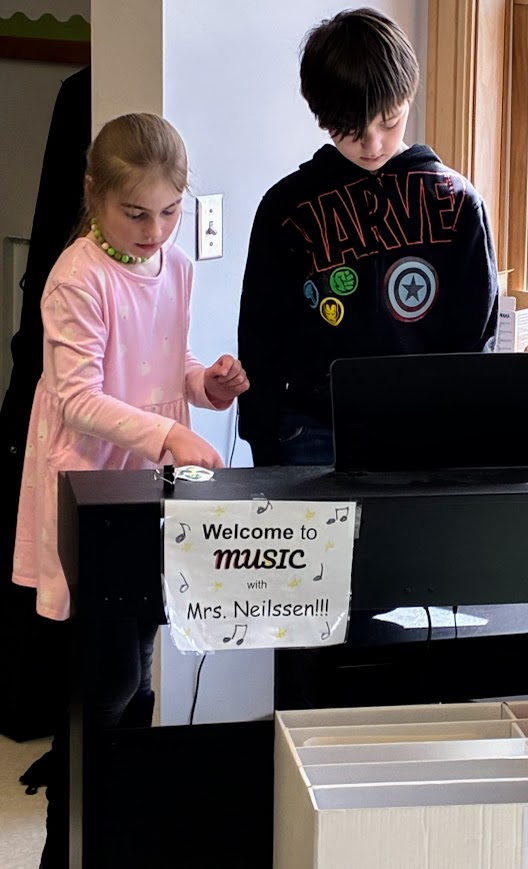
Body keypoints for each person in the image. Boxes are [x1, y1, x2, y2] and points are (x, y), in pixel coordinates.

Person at [10, 111, 249, 868]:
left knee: (141, 669)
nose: (155, 230)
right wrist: (170, 435)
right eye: (136, 213)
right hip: (89, 496)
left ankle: (118, 835)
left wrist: (204, 387)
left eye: (171, 212)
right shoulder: (76, 277)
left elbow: (161, 365)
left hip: (147, 491)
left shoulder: (174, 267)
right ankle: (66, 843)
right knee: (104, 686)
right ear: (95, 196)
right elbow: (77, 395)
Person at [237, 7, 499, 467]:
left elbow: (478, 334)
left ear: (408, 97)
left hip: (428, 430)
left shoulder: (457, 201)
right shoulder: (286, 208)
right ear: (321, 116)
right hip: (311, 431)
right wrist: (261, 437)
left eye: (390, 121)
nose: (373, 144)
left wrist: (469, 429)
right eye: (352, 130)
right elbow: (260, 335)